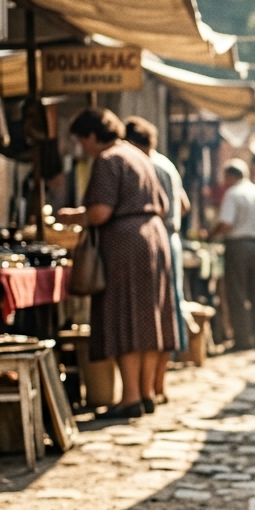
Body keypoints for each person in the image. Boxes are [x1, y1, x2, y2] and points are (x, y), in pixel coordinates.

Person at [61, 108, 178, 419]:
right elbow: (164, 205)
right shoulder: (138, 155)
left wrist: (70, 215)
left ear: (90, 135)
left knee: (124, 316)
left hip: (126, 244)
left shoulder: (109, 159)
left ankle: (129, 397)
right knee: (149, 316)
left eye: (81, 140)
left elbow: (100, 213)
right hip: (153, 238)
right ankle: (147, 391)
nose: (82, 148)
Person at [122, 117, 190, 406]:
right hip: (168, 237)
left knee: (158, 311)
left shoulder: (149, 165)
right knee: (166, 306)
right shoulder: (166, 164)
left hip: (157, 239)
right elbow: (184, 205)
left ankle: (155, 386)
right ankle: (156, 387)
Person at [213, 159, 255, 351]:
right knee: (253, 292)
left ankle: (241, 339)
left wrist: (211, 234)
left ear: (231, 177)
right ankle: (254, 337)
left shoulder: (233, 194)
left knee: (237, 293)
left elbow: (226, 224)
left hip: (237, 246)